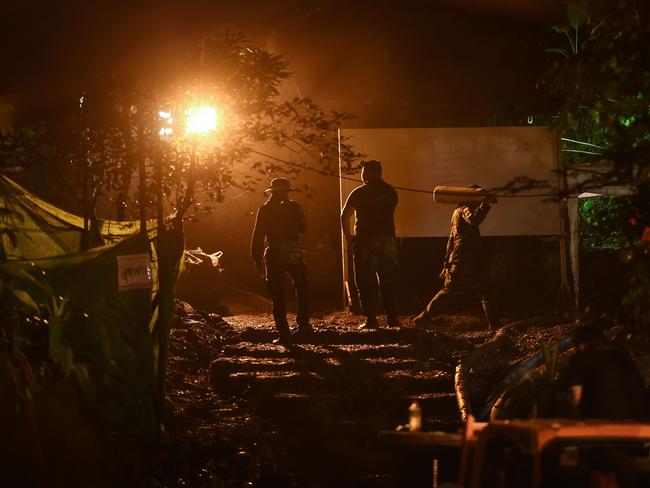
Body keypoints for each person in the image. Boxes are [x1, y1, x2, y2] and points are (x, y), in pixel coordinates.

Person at [412, 185, 497, 329]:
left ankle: (494, 324)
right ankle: (422, 317)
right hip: (465, 259)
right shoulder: (465, 209)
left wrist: (446, 264)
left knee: (482, 291)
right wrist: (485, 205)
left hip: (465, 259)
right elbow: (474, 221)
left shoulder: (457, 212)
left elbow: (451, 239)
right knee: (455, 291)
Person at [341, 159, 400, 329]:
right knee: (388, 278)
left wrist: (348, 236)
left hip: (366, 241)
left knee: (366, 280)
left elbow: (345, 215)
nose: (362, 175)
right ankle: (392, 317)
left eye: (364, 171)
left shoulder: (359, 192)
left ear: (371, 173)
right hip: (387, 241)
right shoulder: (391, 192)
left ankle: (371, 319)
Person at [251, 178, 311, 346]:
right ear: (287, 191)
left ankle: (284, 335)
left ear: (271, 192)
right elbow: (303, 229)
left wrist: (256, 259)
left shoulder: (265, 209)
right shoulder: (295, 207)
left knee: (277, 295)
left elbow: (258, 236)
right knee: (302, 285)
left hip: (275, 251)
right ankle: (303, 324)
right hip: (294, 251)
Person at [568, 324, 647, 420]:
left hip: (602, 422)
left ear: (580, 344)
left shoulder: (579, 358)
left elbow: (577, 397)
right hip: (638, 421)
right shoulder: (623, 357)